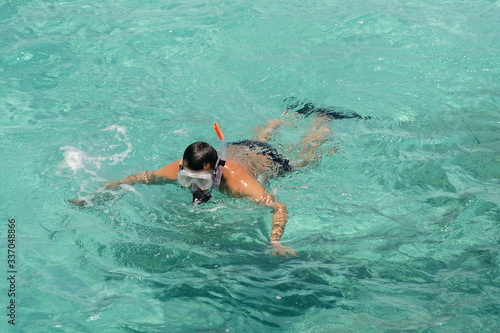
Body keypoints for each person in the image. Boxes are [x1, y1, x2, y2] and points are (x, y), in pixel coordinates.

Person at [70, 100, 366, 257]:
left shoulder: (237, 184)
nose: (195, 189)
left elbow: (278, 206)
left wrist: (274, 241)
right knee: (258, 136)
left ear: (214, 171)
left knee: (306, 160)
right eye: (187, 180)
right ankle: (286, 115)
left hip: (265, 160)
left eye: (200, 181)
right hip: (240, 147)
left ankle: (322, 121)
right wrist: (96, 195)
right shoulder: (180, 169)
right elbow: (140, 177)